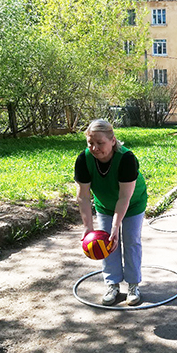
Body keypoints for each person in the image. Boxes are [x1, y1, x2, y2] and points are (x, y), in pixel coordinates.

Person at [74, 119, 148, 306]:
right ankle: (112, 284)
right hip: (105, 205)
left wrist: (116, 227)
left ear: (112, 140)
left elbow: (124, 198)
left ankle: (133, 285)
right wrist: (88, 227)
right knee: (104, 243)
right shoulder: (84, 159)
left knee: (131, 241)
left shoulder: (126, 159)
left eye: (100, 143)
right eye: (91, 143)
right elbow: (83, 196)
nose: (95, 148)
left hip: (132, 204)